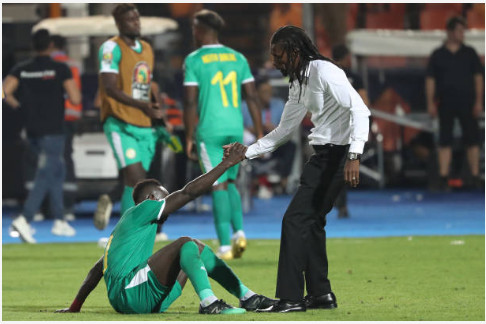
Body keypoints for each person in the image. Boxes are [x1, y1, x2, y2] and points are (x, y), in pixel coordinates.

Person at [231, 25, 370, 312]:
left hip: (338, 155)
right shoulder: (298, 81)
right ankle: (320, 294)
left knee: (295, 221)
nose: (274, 62)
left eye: (278, 55)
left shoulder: (323, 71)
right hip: (324, 156)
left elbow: (360, 110)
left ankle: (291, 298)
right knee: (312, 223)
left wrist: (355, 154)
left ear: (295, 51)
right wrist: (247, 153)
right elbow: (283, 131)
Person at [55, 143, 276, 315]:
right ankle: (209, 303)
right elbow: (189, 193)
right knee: (184, 243)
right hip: (132, 294)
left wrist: (76, 306)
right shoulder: (145, 208)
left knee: (195, 249)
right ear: (151, 199)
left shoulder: (126, 230)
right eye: (164, 197)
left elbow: (96, 270)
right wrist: (227, 164)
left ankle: (247, 296)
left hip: (139, 301)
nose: (167, 204)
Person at [183, 9, 263, 260]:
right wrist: (260, 133)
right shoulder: (237, 58)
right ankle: (239, 233)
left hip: (210, 129)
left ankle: (225, 246)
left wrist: (188, 136)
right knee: (230, 182)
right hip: (234, 127)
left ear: (199, 30)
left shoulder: (194, 60)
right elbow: (251, 96)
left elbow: (189, 102)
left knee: (216, 184)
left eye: (194, 28)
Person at [94, 3, 173, 231]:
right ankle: (128, 233)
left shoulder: (147, 48)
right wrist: (144, 106)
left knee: (135, 184)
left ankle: (120, 219)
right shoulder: (110, 48)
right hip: (119, 123)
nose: (136, 23)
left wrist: (159, 118)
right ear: (119, 23)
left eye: (137, 18)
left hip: (144, 125)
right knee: (136, 178)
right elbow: (109, 88)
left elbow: (146, 87)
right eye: (130, 19)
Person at [4, 29, 81, 243]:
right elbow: (75, 98)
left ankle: (60, 221)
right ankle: (25, 219)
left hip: (32, 131)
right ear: (50, 46)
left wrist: (18, 106)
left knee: (56, 171)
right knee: (46, 173)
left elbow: (4, 91)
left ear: (32, 46)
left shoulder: (22, 69)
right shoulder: (60, 69)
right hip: (54, 129)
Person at [425, 16, 483, 191]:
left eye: (463, 31)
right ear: (449, 32)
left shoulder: (470, 53)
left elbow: (479, 78)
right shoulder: (438, 55)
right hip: (446, 102)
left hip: (467, 101)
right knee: (445, 139)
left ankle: (475, 176)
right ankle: (443, 176)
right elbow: (430, 80)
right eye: (458, 30)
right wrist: (430, 102)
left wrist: (479, 101)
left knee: (472, 139)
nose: (461, 34)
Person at [331, 44, 370, 218]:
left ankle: (339, 204)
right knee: (341, 167)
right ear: (347, 58)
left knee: (337, 167)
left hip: (333, 127)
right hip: (348, 126)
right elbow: (365, 102)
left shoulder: (327, 76)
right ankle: (339, 204)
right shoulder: (354, 78)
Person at [241, 77, 296, 198]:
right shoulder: (245, 106)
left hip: (273, 140)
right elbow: (240, 128)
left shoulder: (279, 104)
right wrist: (256, 129)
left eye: (270, 92)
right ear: (256, 93)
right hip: (252, 140)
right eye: (265, 92)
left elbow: (286, 128)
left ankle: (283, 181)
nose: (269, 95)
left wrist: (274, 128)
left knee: (291, 146)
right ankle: (255, 181)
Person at [50, 34, 83, 221]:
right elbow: (76, 95)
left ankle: (50, 208)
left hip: (51, 119)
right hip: (70, 117)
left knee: (48, 162)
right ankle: (68, 206)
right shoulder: (73, 64)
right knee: (66, 160)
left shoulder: (48, 64)